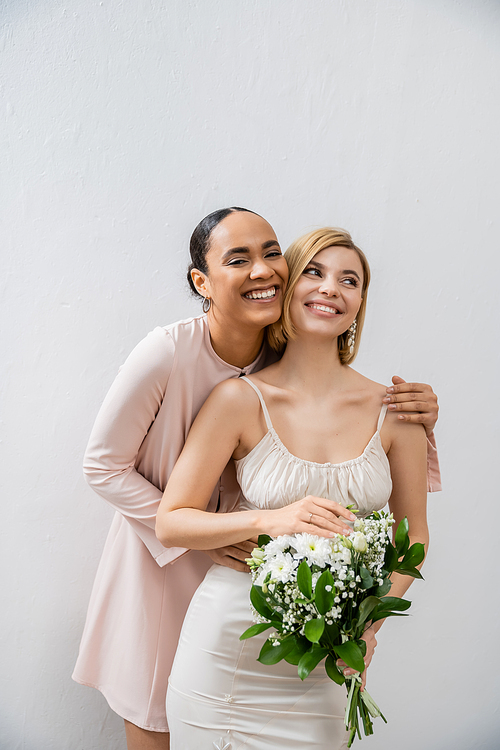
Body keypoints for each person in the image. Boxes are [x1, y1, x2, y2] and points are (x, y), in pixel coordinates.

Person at [73, 208, 440, 750]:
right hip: (179, 583)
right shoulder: (190, 365)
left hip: (312, 639)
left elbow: (414, 538)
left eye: (350, 279)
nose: (329, 288)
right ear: (204, 281)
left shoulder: (384, 404)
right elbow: (106, 468)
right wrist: (258, 523)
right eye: (313, 272)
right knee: (152, 718)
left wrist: (367, 619)